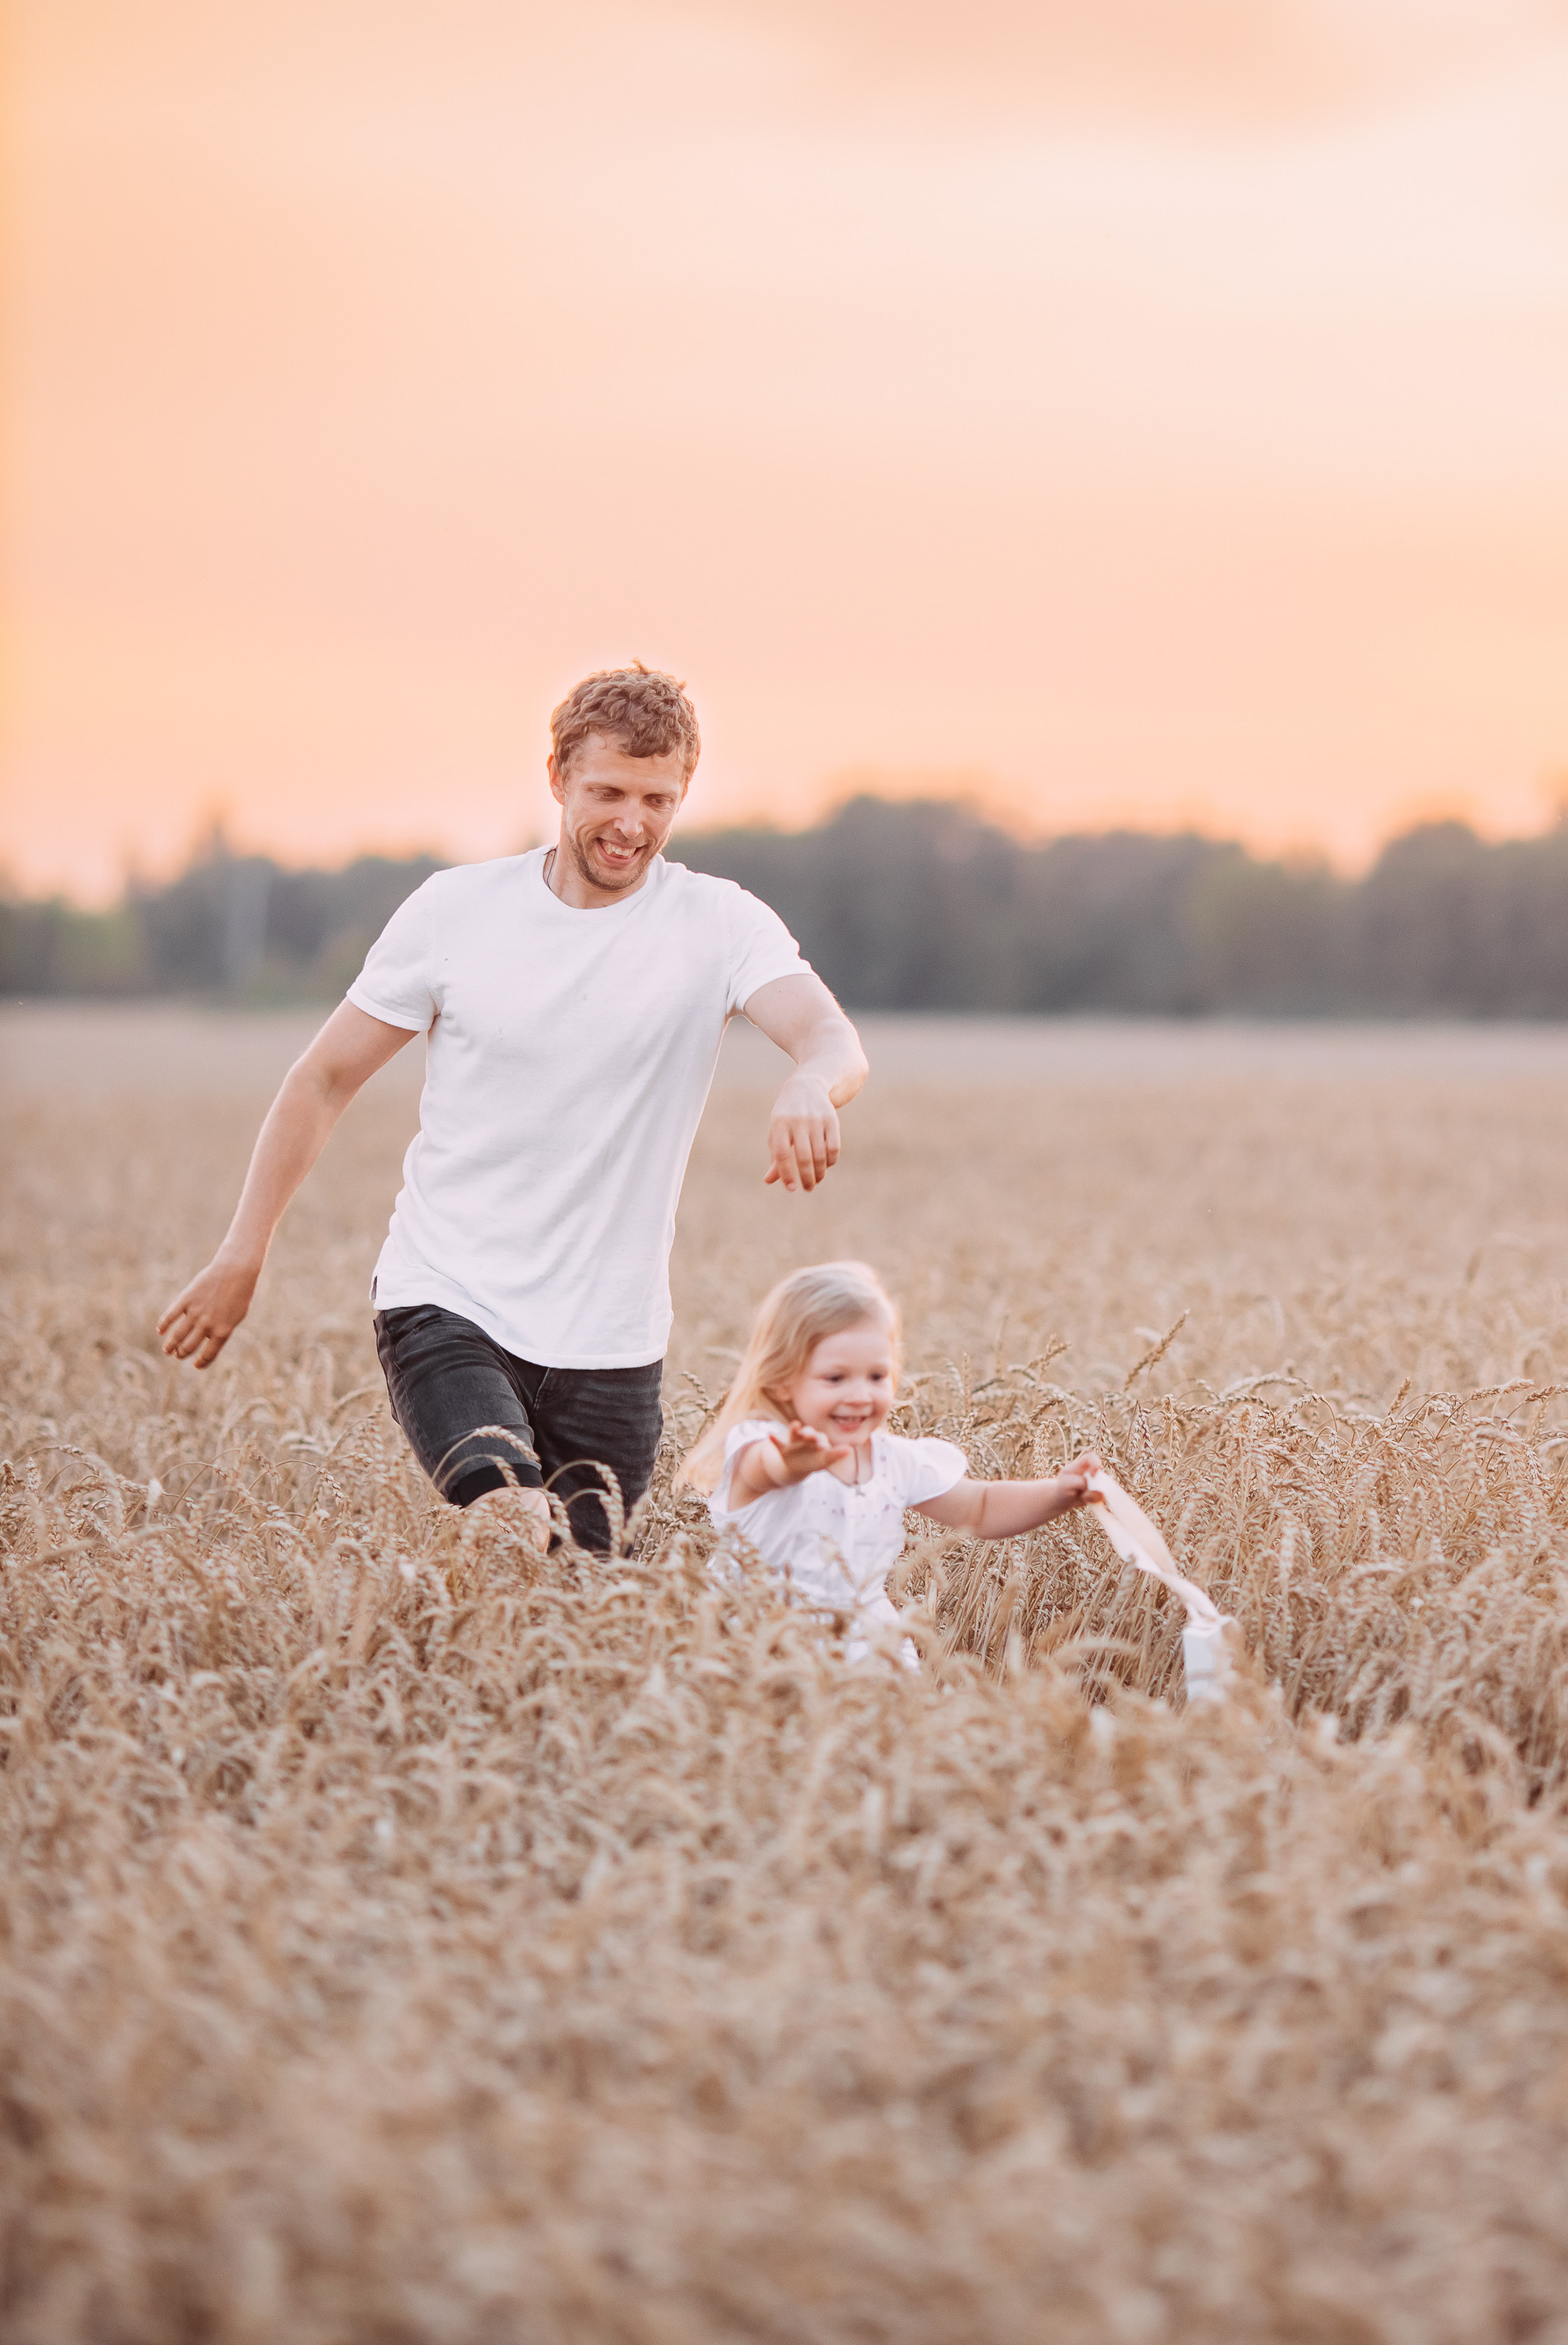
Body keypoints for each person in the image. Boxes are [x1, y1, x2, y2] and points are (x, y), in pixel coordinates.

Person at [158, 664, 866, 1553]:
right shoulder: (455, 911)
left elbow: (831, 1038)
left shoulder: (718, 923)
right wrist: (241, 1253)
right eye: (607, 791)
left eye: (658, 800)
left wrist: (810, 1080)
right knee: (510, 1536)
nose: (631, 823)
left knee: (579, 1607)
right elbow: (322, 1080)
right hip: (448, 1299)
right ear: (556, 777)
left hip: (614, 1339)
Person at [682, 1260, 1099, 1663]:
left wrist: (1057, 1493)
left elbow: (981, 1507)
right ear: (781, 1379)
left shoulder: (894, 1461)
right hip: (761, 1651)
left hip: (865, 1650)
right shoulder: (760, 1445)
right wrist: (793, 1464)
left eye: (877, 1376)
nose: (861, 1395)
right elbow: (766, 1470)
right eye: (836, 1378)